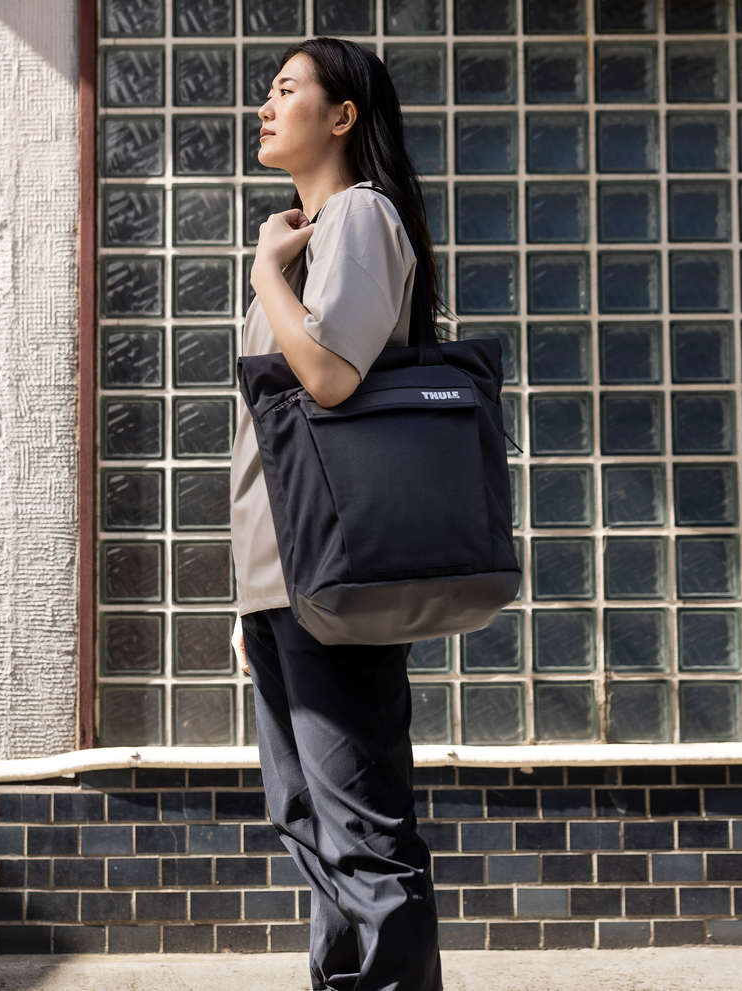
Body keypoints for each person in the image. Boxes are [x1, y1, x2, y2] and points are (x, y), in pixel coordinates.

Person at [229, 38, 444, 991]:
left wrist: (263, 272)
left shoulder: (358, 217)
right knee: (310, 825)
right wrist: (246, 600)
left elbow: (328, 374)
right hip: (284, 580)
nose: (265, 107)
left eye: (286, 90)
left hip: (329, 580)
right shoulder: (306, 232)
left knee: (360, 833)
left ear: (343, 115)